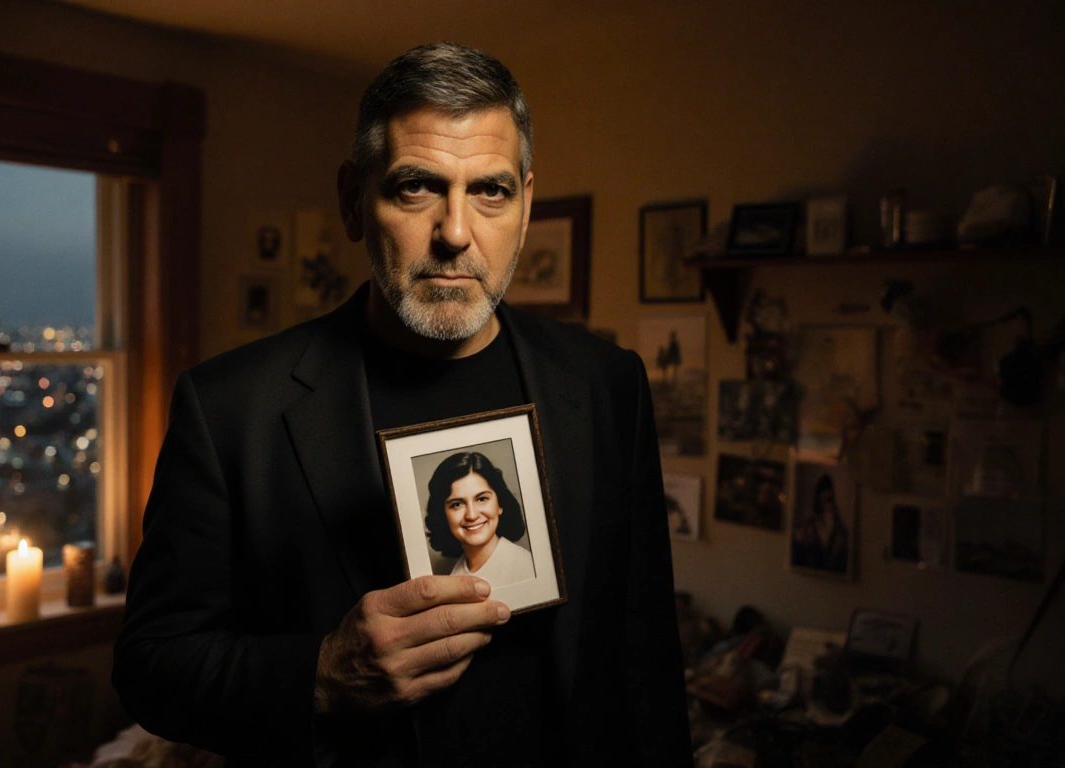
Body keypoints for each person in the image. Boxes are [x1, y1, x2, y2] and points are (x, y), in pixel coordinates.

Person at [113, 42, 690, 766]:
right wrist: (321, 673)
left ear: (527, 202)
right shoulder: (231, 407)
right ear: (354, 200)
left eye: (491, 190)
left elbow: (647, 662)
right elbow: (150, 669)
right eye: (416, 187)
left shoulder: (608, 384)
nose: (456, 232)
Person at [423, 451, 535, 586]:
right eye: (457, 504)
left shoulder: (526, 568)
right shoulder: (455, 574)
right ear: (443, 515)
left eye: (482, 499)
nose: (472, 515)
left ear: (500, 505)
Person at [792, 473, 850, 573]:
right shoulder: (808, 525)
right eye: (823, 493)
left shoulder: (840, 531)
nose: (827, 497)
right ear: (818, 497)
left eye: (829, 497)